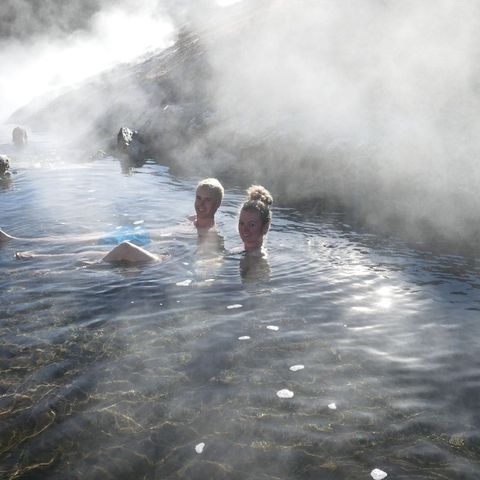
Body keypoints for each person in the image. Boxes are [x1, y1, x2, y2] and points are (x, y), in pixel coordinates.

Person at [12, 178, 225, 264]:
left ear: (217, 205)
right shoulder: (192, 220)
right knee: (88, 239)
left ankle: (38, 257)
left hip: (159, 256)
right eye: (198, 198)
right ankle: (19, 240)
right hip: (149, 241)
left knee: (98, 252)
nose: (200, 204)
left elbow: (206, 261)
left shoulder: (211, 234)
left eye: (207, 201)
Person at [238, 185, 273, 257]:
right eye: (242, 223)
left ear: (265, 227)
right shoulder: (239, 250)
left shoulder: (259, 257)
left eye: (252, 225)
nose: (245, 229)